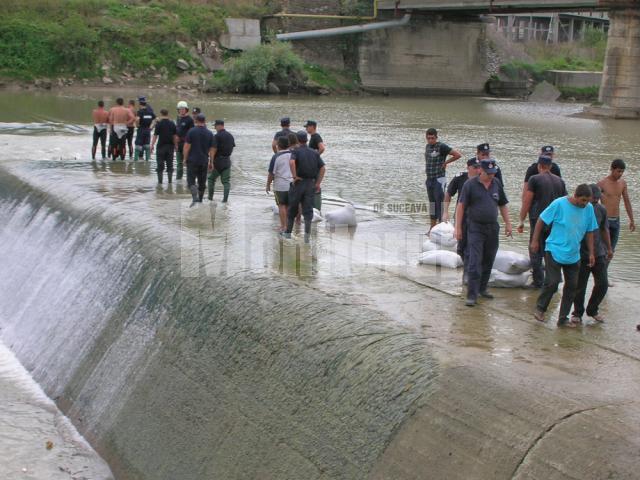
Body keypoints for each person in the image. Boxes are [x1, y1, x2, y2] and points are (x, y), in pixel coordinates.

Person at [531, 184, 598, 327]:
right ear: (575, 196)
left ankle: (563, 318)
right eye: (583, 200)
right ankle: (540, 308)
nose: (585, 203)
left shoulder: (589, 209)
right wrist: (535, 241)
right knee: (553, 282)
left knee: (572, 286)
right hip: (554, 249)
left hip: (574, 254)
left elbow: (590, 231)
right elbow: (541, 220)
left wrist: (592, 253)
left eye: (588, 201)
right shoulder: (559, 204)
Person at [455, 159, 512, 307]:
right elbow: (461, 207)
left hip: (492, 228)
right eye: (488, 173)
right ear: (481, 170)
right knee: (474, 260)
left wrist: (508, 224)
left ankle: (482, 289)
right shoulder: (470, 185)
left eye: (493, 173)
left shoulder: (497, 184)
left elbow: (503, 205)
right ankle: (472, 295)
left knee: (489, 259)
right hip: (475, 227)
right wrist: (458, 228)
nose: (491, 176)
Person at [517, 156, 567, 288]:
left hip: (538, 220)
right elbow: (565, 203)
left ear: (539, 166)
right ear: (550, 166)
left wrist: (521, 220)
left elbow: (527, 201)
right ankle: (554, 279)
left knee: (535, 250)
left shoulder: (535, 179)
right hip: (555, 222)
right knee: (551, 250)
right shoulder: (560, 181)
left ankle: (538, 282)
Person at [571, 184, 613, 324]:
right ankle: (577, 312)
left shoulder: (601, 210)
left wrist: (609, 248)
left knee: (603, 284)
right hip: (581, 253)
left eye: (596, 200)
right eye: (591, 200)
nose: (594, 203)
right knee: (580, 285)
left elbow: (604, 229)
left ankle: (592, 309)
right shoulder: (577, 208)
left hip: (598, 252)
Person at [282, 130, 326, 243]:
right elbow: (323, 168)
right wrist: (317, 183)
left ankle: (287, 234)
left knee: (292, 209)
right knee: (308, 212)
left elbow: (292, 163)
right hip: (310, 184)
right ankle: (307, 237)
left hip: (298, 183)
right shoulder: (314, 153)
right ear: (306, 140)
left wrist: (294, 176)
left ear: (297, 140)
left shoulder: (295, 151)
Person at [443, 157, 481, 280]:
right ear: (468, 167)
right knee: (462, 246)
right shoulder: (460, 178)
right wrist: (445, 212)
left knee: (474, 246)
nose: (478, 170)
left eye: (479, 167)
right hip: (462, 217)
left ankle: (470, 273)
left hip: (477, 218)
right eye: (475, 167)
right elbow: (448, 193)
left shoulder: (484, 180)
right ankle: (466, 268)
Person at [424, 128, 461, 231]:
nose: (430, 140)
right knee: (432, 204)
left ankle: (441, 228)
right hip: (429, 179)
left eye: (432, 138)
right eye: (428, 138)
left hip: (439, 179)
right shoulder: (427, 147)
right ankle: (432, 227)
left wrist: (446, 163)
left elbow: (457, 155)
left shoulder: (441, 146)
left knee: (440, 203)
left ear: (436, 137)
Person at [598, 159, 635, 252]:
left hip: (616, 221)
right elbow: (592, 203)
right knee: (602, 250)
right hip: (605, 221)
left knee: (611, 251)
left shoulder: (622, 183)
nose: (620, 174)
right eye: (618, 171)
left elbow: (627, 201)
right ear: (612, 169)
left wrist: (632, 220)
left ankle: (605, 266)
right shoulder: (602, 184)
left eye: (622, 171)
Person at [183, 113, 214, 205]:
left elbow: (186, 147)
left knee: (191, 181)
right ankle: (200, 200)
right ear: (205, 121)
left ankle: (194, 198)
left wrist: (185, 159)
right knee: (202, 182)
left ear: (196, 120)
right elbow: (212, 149)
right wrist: (211, 162)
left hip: (192, 160)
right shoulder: (209, 133)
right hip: (204, 161)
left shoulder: (191, 131)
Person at [266, 136, 293, 232]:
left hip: (280, 186)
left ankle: (283, 226)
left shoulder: (276, 157)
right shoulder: (293, 154)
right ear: (288, 145)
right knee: (289, 206)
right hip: (292, 184)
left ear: (278, 145)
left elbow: (271, 173)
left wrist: (268, 184)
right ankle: (289, 227)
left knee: (281, 206)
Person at [207, 120, 235, 203]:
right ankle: (225, 201)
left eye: (215, 126)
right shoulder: (230, 136)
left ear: (219, 126)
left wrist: (211, 162)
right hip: (227, 161)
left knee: (211, 179)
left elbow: (213, 150)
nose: (215, 128)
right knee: (226, 182)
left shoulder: (216, 136)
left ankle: (210, 198)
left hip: (218, 161)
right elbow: (232, 147)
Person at [150, 109, 177, 184]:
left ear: (161, 114)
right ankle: (170, 183)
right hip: (170, 147)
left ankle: (160, 183)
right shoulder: (172, 123)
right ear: (167, 114)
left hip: (161, 147)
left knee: (160, 166)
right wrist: (176, 146)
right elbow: (174, 136)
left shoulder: (159, 124)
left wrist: (152, 145)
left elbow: (155, 136)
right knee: (170, 165)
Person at [305, 120, 326, 211]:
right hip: (314, 166)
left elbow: (322, 148)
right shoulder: (313, 137)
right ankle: (313, 208)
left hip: (315, 166)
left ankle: (316, 209)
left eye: (307, 127)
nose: (306, 128)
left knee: (316, 186)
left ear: (313, 127)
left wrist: (315, 157)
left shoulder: (316, 136)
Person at [175, 101, 194, 181]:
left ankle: (189, 180)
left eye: (183, 109)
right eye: (180, 109)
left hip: (186, 144)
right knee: (179, 164)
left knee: (188, 163)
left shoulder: (189, 119)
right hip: (178, 144)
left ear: (186, 110)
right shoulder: (178, 118)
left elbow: (192, 133)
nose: (182, 110)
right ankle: (178, 181)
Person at [133, 96, 156, 162]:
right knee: (147, 145)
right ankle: (147, 160)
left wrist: (137, 125)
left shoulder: (140, 111)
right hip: (147, 130)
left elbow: (137, 119)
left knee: (138, 145)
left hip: (141, 129)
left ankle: (137, 160)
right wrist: (151, 127)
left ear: (140, 103)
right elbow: (155, 119)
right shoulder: (150, 110)